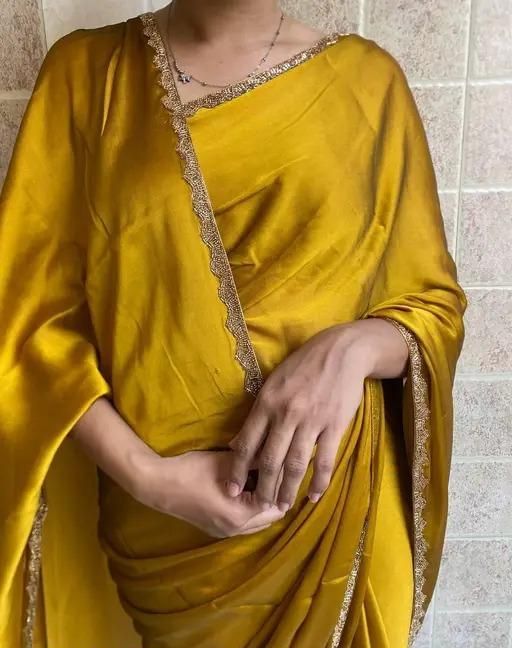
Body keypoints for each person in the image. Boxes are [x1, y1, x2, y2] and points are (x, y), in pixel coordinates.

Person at [0, 1, 467, 646]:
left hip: (331, 515)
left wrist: (353, 348)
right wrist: (147, 477)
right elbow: (26, 319)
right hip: (163, 544)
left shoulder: (368, 84)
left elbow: (433, 302)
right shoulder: (88, 74)